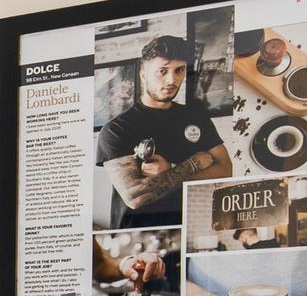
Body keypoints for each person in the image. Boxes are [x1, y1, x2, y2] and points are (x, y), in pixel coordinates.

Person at [94, 35, 231, 228]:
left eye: (179, 70)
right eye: (162, 71)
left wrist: (170, 170)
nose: (172, 79)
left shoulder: (196, 116)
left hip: (186, 226)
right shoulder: (117, 129)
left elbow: (225, 169)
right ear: (143, 75)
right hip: (137, 232)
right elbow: (135, 196)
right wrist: (194, 164)